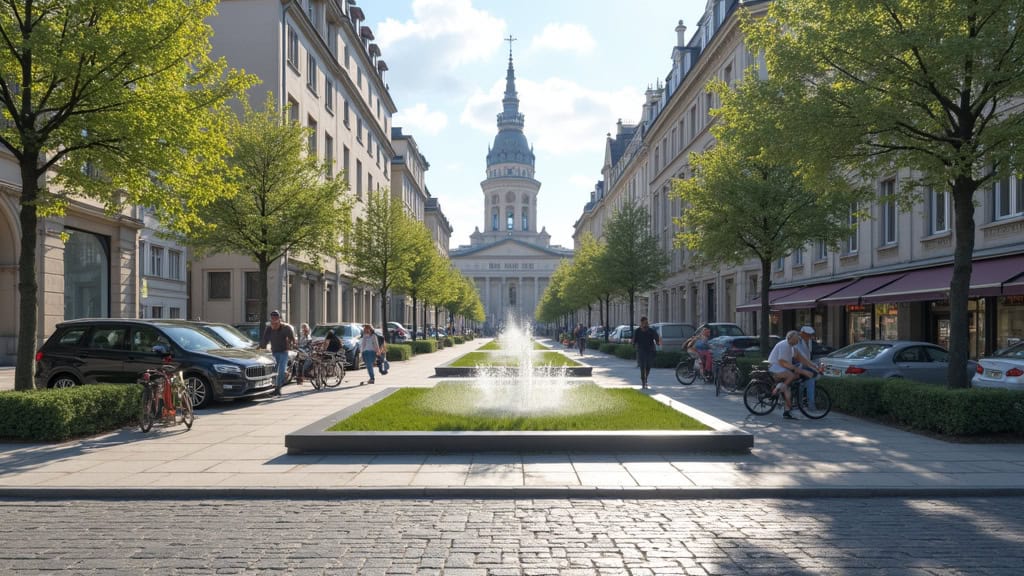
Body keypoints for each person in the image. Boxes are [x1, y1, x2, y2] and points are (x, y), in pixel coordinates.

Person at [767, 330, 815, 419]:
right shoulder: (785, 345)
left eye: (798, 340)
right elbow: (782, 362)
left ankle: (787, 411)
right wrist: (803, 371)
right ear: (790, 338)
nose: (797, 341)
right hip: (775, 367)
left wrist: (813, 366)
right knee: (792, 376)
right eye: (796, 340)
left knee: (793, 380)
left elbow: (801, 358)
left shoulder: (791, 346)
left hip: (781, 368)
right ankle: (779, 388)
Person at [260, 310, 295, 397]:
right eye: (272, 318)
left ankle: (278, 388)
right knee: (274, 370)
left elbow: (292, 338)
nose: (274, 319)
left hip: (284, 352)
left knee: (281, 371)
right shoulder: (269, 328)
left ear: (279, 318)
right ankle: (272, 388)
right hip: (274, 352)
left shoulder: (285, 328)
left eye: (276, 317)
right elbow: (265, 339)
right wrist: (261, 347)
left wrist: (292, 344)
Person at [794, 326, 822, 407]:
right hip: (796, 365)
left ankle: (800, 402)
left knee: (804, 383)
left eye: (810, 335)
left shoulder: (808, 341)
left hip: (802, 364)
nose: (809, 337)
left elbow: (807, 356)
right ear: (802, 333)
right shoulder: (797, 341)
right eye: (807, 335)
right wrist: (814, 367)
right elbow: (802, 357)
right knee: (811, 378)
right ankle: (811, 405)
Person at [631, 316, 661, 389]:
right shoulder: (637, 331)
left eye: (646, 323)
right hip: (641, 350)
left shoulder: (651, 330)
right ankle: (643, 381)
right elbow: (634, 340)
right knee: (642, 366)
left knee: (648, 366)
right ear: (641, 323)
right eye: (644, 323)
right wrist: (633, 344)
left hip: (650, 350)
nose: (645, 324)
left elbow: (656, 338)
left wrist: (658, 342)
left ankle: (646, 378)